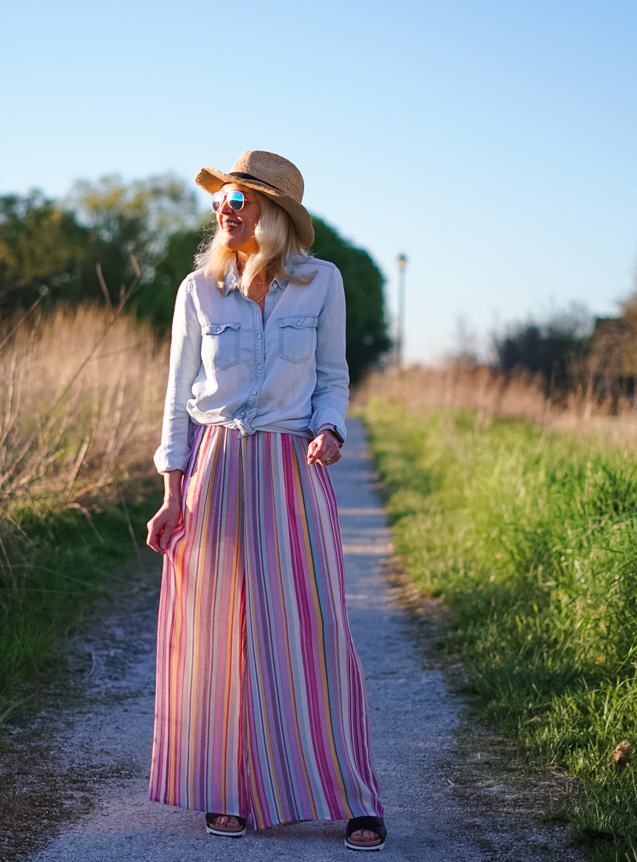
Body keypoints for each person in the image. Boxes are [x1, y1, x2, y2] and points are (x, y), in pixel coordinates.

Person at [146, 150, 386, 851]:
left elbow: (334, 379)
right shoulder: (198, 289)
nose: (226, 206)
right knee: (218, 637)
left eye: (240, 198)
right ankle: (229, 790)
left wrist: (331, 431)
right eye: (221, 197)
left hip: (291, 463)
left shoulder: (322, 283)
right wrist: (171, 491)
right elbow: (175, 401)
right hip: (216, 467)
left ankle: (353, 793)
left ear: (272, 213)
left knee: (311, 631)